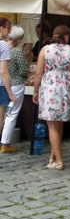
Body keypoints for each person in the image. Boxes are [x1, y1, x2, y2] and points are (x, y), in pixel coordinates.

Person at [32, 25, 70, 170]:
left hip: (50, 87)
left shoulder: (45, 50)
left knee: (52, 126)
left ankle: (59, 161)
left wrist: (35, 91)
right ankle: (53, 157)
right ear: (66, 36)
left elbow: (38, 72)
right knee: (59, 124)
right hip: (65, 87)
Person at [1, 25, 29, 153]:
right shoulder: (17, 51)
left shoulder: (3, 47)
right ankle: (5, 143)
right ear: (18, 39)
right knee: (12, 114)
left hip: (3, 83)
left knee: (3, 114)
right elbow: (23, 71)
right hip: (16, 84)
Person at [0, 17, 14, 132]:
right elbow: (3, 71)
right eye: (8, 28)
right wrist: (10, 93)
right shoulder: (4, 45)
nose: (9, 31)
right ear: (1, 28)